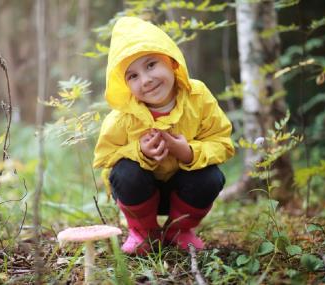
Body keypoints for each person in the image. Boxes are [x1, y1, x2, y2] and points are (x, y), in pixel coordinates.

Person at [93, 16, 235, 255]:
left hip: (183, 192)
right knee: (125, 172)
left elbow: (222, 142)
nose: (146, 80)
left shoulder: (197, 96)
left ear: (171, 61)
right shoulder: (124, 116)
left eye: (151, 65)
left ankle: (179, 230)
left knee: (210, 177)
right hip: (140, 193)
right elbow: (103, 157)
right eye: (133, 76)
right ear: (125, 85)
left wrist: (188, 152)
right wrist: (139, 151)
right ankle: (144, 233)